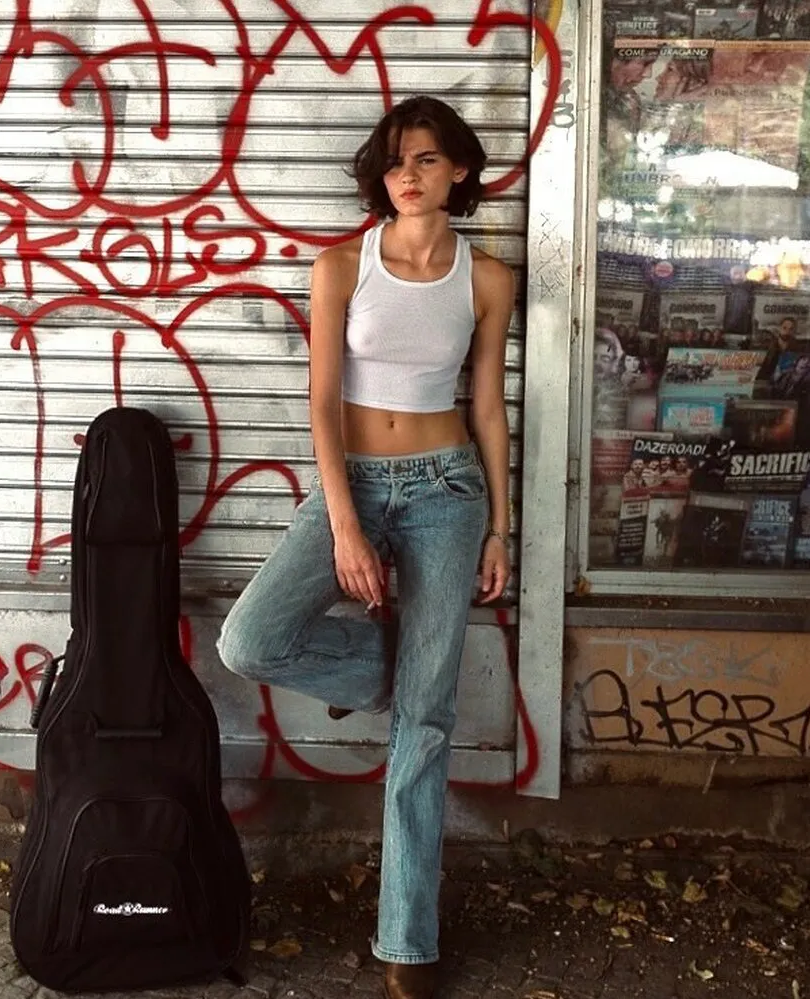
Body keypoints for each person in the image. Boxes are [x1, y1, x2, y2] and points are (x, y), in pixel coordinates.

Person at [216, 96, 515, 999]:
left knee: (425, 726)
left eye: (425, 159)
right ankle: (397, 669)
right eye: (393, 162)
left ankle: (408, 940)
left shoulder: (488, 278)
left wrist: (500, 525)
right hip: (355, 481)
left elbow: (487, 407)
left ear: (459, 169)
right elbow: (320, 402)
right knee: (251, 638)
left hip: (447, 490)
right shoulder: (341, 264)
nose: (407, 176)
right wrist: (345, 524)